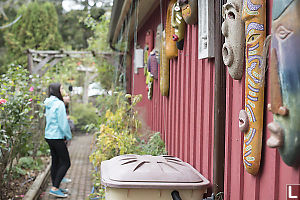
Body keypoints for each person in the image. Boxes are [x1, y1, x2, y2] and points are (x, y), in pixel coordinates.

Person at [44, 83, 72, 198]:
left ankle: (56, 185)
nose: (62, 90)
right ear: (56, 90)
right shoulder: (59, 104)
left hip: (49, 136)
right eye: (61, 88)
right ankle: (55, 188)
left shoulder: (48, 103)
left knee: (55, 161)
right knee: (66, 162)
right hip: (57, 137)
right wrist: (69, 136)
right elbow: (63, 124)